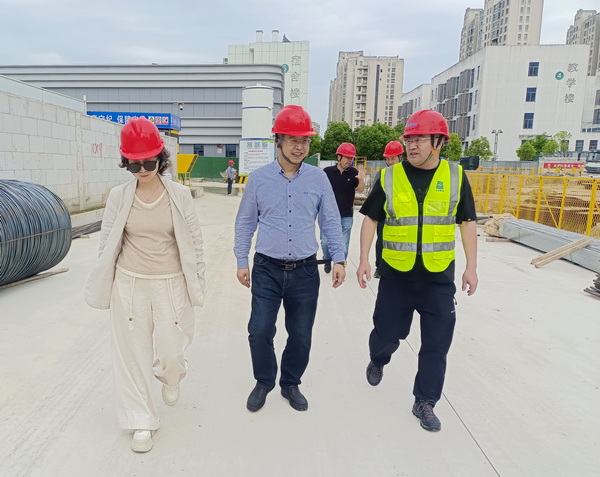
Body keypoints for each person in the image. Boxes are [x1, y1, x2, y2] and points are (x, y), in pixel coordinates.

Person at [84, 117, 205, 453]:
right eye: (133, 164)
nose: (142, 170)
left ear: (160, 160)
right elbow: (107, 240)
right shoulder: (118, 196)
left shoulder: (179, 195)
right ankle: (141, 419)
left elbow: (195, 242)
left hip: (170, 282)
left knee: (171, 349)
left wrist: (198, 281)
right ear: (125, 162)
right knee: (132, 355)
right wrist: (106, 280)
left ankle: (171, 376)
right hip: (129, 283)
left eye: (148, 163)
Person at [356, 110, 478, 432]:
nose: (411, 145)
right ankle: (379, 359)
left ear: (438, 142)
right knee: (386, 334)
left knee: (436, 345)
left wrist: (471, 267)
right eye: (409, 139)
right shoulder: (390, 177)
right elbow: (370, 218)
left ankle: (425, 401)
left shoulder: (455, 175)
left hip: (438, 278)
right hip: (396, 276)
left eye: (419, 139)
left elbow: (467, 221)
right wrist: (364, 258)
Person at [234, 105, 346, 413]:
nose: (300, 147)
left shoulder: (318, 179)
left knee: (301, 335)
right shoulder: (258, 179)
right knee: (259, 330)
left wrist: (339, 258)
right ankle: (264, 381)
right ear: (278, 141)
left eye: (305, 140)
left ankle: (290, 383)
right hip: (266, 269)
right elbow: (245, 222)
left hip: (305, 271)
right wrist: (241, 260)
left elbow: (330, 220)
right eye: (293, 140)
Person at [320, 142, 366, 273]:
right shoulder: (327, 172)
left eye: (351, 158)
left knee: (343, 245)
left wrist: (361, 179)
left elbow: (360, 189)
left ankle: (340, 265)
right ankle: (327, 259)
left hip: (346, 215)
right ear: (339, 157)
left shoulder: (353, 172)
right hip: (328, 215)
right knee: (325, 242)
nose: (349, 161)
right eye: (347, 157)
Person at [373, 140, 405, 279]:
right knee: (381, 241)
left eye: (393, 158)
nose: (390, 162)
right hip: (384, 215)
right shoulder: (382, 174)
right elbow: (375, 196)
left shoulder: (407, 174)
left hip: (402, 215)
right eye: (388, 159)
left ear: (400, 157)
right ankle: (379, 266)